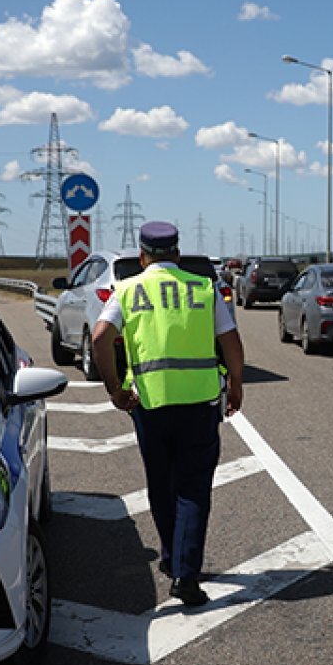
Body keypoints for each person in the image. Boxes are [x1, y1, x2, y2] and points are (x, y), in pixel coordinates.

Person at [91, 221, 245, 607]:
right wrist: (237, 384)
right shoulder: (203, 288)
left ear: (143, 257)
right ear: (177, 254)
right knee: (193, 488)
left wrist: (114, 388)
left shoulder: (126, 289)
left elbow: (99, 337)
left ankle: (169, 557)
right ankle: (186, 575)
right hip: (200, 403)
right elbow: (230, 340)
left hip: (149, 404)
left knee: (161, 482)